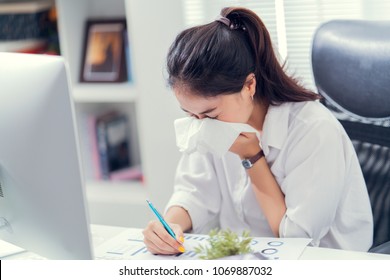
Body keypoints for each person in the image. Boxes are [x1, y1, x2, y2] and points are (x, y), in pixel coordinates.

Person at [142, 6, 373, 255]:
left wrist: (251, 157)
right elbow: (194, 192)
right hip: (247, 258)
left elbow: (296, 239)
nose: (201, 124)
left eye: (210, 114)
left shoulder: (314, 131)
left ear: (249, 85)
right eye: (190, 114)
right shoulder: (209, 121)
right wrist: (170, 226)